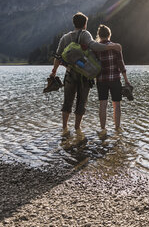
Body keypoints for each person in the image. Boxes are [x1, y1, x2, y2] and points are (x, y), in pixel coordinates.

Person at [50, 12, 121, 144]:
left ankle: (65, 129)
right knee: (81, 103)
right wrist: (111, 46)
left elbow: (58, 57)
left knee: (67, 102)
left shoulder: (65, 38)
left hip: (70, 74)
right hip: (85, 75)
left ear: (74, 23)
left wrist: (53, 72)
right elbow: (95, 46)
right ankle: (77, 129)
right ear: (84, 24)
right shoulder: (85, 34)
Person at [95, 24, 130, 139]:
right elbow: (121, 64)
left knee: (103, 104)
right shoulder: (115, 47)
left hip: (101, 80)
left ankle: (103, 129)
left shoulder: (96, 48)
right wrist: (126, 80)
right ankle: (117, 128)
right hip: (115, 79)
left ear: (99, 35)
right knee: (117, 104)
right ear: (109, 35)